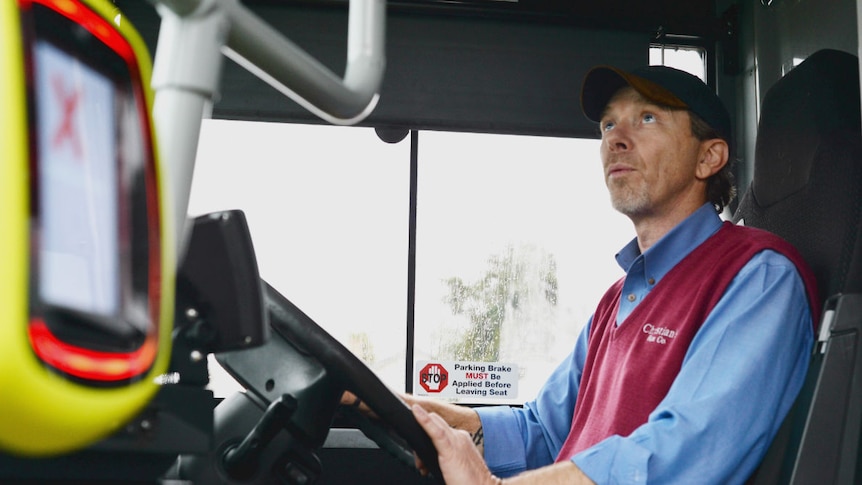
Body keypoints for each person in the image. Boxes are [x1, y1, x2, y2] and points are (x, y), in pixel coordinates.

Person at [350, 64, 820, 484]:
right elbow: (540, 430)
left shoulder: (758, 278)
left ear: (708, 158)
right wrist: (387, 402)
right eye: (608, 123)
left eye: (647, 118)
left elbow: (677, 458)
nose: (615, 138)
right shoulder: (619, 299)